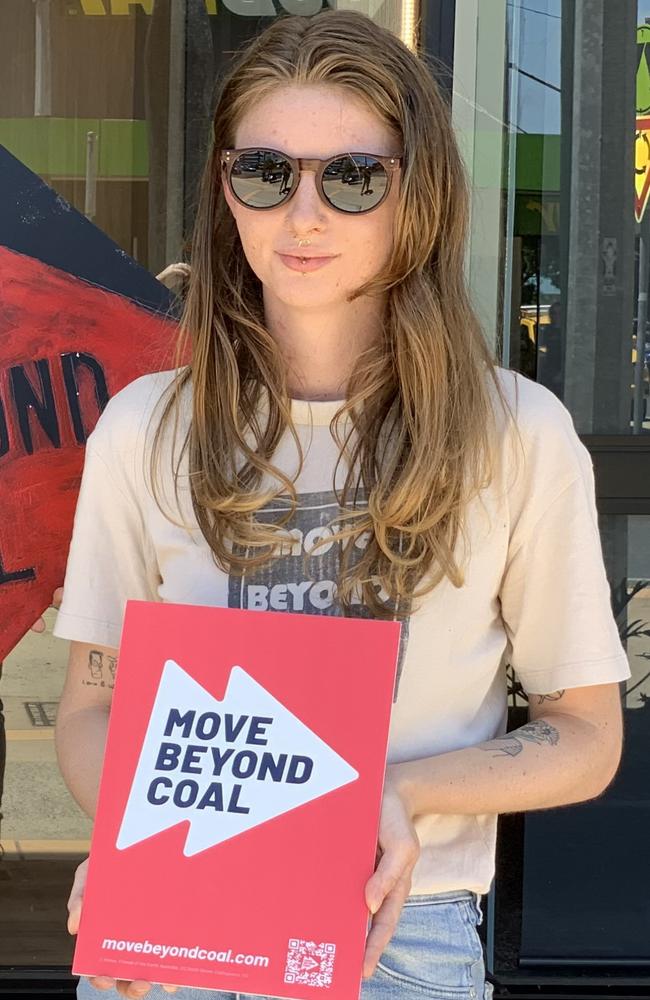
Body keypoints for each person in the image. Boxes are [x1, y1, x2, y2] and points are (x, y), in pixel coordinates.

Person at [53, 10, 630, 1000]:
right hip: (176, 932)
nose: (302, 214)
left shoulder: (512, 434)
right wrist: (134, 847)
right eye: (266, 173)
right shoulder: (144, 429)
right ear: (226, 190)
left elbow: (583, 731)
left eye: (353, 177)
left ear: (419, 194)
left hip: (399, 933)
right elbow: (91, 709)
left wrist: (392, 793)